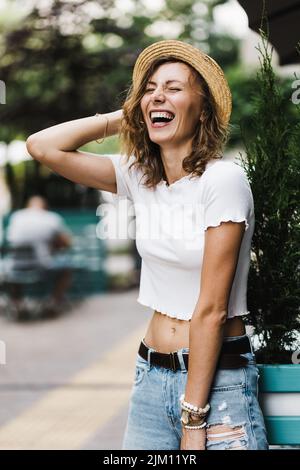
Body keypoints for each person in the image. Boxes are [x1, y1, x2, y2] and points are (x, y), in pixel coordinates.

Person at [26, 39, 268, 450]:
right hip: (150, 378)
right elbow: (43, 146)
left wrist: (194, 419)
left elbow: (210, 311)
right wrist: (127, 116)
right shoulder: (139, 175)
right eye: (150, 89)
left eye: (174, 88)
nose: (158, 94)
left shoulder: (222, 181)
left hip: (219, 384)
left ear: (203, 107)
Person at [6, 195, 73, 311]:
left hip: (16, 266)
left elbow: (9, 239)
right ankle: (54, 302)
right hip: (41, 265)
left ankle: (16, 302)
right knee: (67, 268)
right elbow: (67, 243)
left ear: (28, 206)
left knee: (14, 274)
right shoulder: (51, 218)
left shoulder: (16, 217)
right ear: (45, 207)